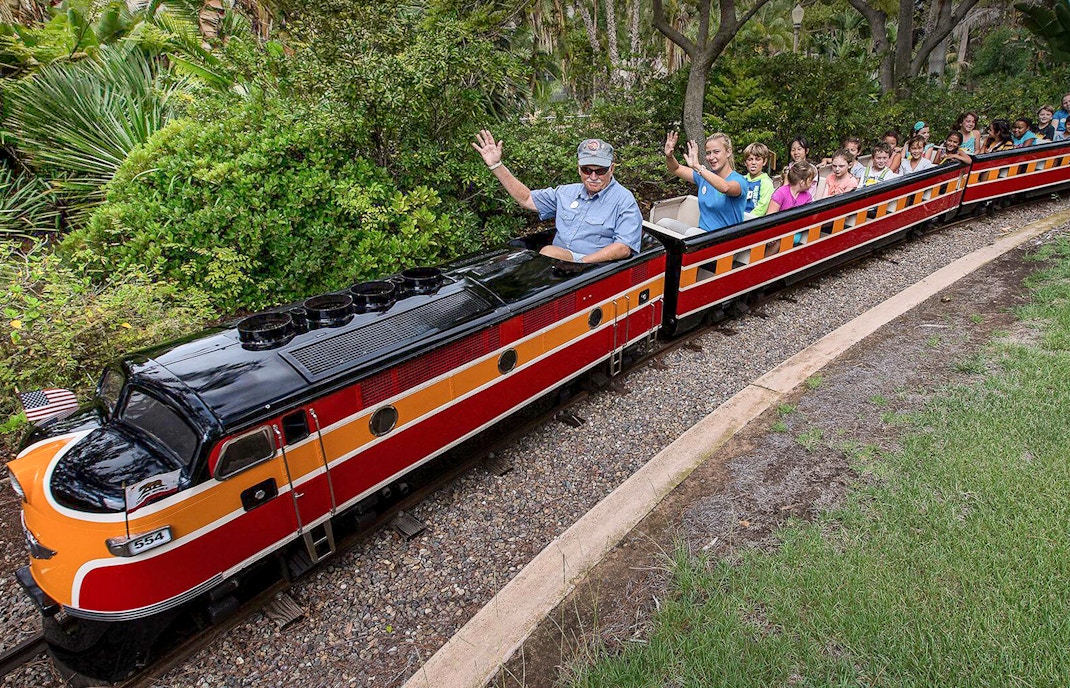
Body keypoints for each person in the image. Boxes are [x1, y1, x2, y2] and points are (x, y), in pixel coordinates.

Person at [472, 130, 641, 263]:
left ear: (612, 169)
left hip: (592, 268)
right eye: (587, 170)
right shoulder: (565, 193)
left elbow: (623, 247)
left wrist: (581, 264)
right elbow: (526, 199)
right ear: (579, 169)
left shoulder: (624, 200)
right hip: (557, 267)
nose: (593, 176)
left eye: (601, 171)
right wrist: (496, 165)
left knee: (548, 252)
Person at [664, 131, 746, 231]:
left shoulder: (739, 180)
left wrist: (698, 167)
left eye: (716, 152)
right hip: (701, 234)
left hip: (724, 237)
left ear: (728, 152)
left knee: (691, 233)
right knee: (664, 223)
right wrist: (669, 156)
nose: (711, 157)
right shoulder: (703, 176)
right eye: (708, 153)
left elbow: (725, 188)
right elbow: (676, 169)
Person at [741, 142, 775, 219]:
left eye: (757, 159)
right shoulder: (742, 180)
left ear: (764, 161)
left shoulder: (766, 182)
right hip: (738, 218)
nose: (753, 163)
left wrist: (747, 219)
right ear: (745, 162)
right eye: (750, 159)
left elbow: (763, 206)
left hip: (754, 220)